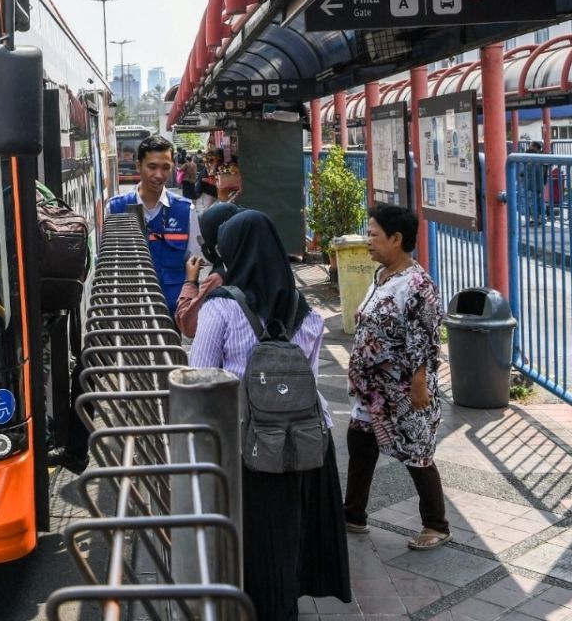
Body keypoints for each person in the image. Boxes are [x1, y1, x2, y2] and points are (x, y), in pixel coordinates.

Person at [189, 210, 350, 619]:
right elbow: (309, 380)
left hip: (247, 445)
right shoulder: (307, 311)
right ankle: (286, 602)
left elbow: (200, 378)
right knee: (290, 535)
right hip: (307, 440)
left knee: (257, 538)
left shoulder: (221, 308)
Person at [343, 203, 450, 551]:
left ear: (397, 238)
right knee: (360, 445)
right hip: (372, 392)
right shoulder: (382, 275)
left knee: (417, 454)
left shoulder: (418, 284)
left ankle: (436, 525)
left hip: (403, 391)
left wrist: (418, 383)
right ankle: (353, 514)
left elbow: (426, 336)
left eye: (373, 235)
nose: (368, 241)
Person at [106, 135, 201, 311]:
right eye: (152, 167)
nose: (159, 175)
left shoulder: (185, 210)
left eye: (165, 168)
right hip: (129, 311)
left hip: (170, 312)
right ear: (138, 166)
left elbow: (194, 261)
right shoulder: (115, 208)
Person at [174, 202, 242, 337]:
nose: (202, 244)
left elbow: (189, 324)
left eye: (203, 238)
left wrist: (191, 282)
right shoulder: (266, 263)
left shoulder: (219, 276)